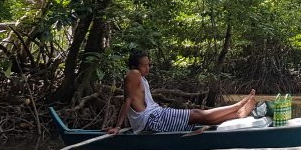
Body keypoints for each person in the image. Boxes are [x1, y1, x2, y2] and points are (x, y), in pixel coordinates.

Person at [105, 50, 257, 134]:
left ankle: (236, 115)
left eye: (149, 65)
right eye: (145, 65)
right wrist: (117, 127)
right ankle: (238, 106)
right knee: (197, 114)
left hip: (155, 115)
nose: (148, 68)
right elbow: (128, 101)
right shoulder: (134, 74)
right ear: (136, 65)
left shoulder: (140, 77)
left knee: (199, 117)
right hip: (151, 119)